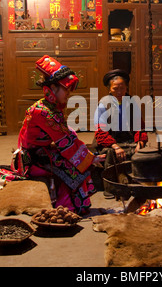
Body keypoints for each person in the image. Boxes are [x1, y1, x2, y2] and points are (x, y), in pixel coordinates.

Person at [11, 55, 106, 215]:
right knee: (74, 170)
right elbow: (65, 142)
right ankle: (68, 207)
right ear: (52, 88)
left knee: (78, 164)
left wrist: (88, 156)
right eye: (66, 89)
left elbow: (67, 136)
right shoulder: (42, 112)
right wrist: (89, 158)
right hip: (32, 158)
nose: (68, 93)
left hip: (45, 151)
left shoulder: (54, 108)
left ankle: (73, 203)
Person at [93, 69, 148, 197]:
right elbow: (100, 132)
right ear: (109, 89)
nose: (119, 92)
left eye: (122, 88)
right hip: (110, 141)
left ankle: (136, 183)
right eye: (115, 89)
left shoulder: (132, 102)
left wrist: (140, 141)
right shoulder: (103, 104)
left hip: (127, 140)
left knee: (142, 151)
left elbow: (139, 127)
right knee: (111, 154)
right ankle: (111, 187)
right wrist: (115, 146)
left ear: (126, 88)